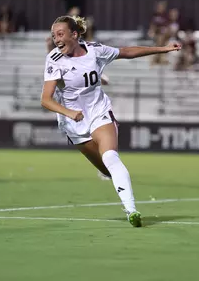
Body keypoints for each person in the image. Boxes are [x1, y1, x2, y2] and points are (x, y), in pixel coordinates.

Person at [41, 15, 181, 227]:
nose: (56, 39)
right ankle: (108, 174)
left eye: (60, 34)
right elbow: (45, 99)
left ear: (75, 35)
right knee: (106, 169)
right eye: (53, 36)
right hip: (74, 124)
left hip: (99, 112)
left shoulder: (95, 50)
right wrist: (68, 113)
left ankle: (131, 210)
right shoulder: (54, 59)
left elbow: (127, 52)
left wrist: (164, 49)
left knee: (111, 157)